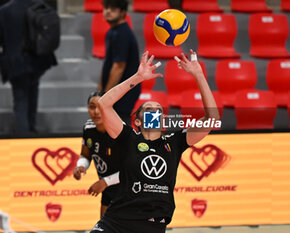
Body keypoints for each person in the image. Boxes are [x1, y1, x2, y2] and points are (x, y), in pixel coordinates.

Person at [90, 50, 219, 233]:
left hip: (152, 226)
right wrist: (138, 77)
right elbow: (104, 104)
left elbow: (212, 119)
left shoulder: (175, 141)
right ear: (137, 121)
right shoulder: (128, 136)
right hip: (117, 220)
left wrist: (198, 75)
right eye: (148, 109)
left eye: (158, 109)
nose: (154, 111)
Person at [0, 0, 57, 134]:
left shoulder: (5, 11)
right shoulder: (40, 6)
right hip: (39, 59)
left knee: (21, 100)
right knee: (32, 94)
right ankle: (31, 129)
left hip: (16, 62)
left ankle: (23, 136)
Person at [73, 91, 121, 218]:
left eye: (100, 107)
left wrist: (104, 182)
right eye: (92, 106)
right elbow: (85, 155)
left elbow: (132, 169)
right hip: (108, 189)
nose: (96, 111)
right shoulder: (88, 128)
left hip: (129, 189)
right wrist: (81, 166)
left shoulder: (120, 130)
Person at [97, 0, 141, 124]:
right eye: (106, 8)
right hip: (117, 92)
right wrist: (100, 92)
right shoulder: (113, 32)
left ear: (122, 12)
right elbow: (108, 64)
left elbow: (119, 67)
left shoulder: (122, 33)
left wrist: (105, 96)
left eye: (113, 8)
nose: (108, 11)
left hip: (123, 94)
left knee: (119, 130)